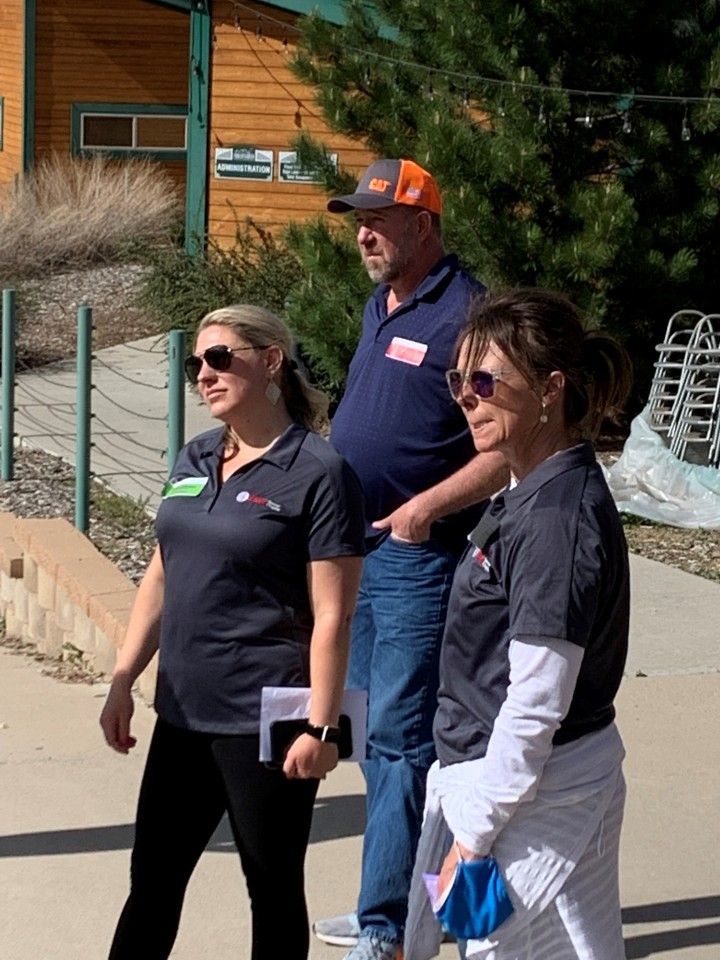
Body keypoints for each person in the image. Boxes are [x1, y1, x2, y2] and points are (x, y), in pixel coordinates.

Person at [99, 305, 365, 960]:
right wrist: (123, 678)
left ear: (271, 360)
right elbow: (161, 577)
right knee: (152, 883)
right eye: (197, 363)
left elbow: (333, 613)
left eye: (219, 358)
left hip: (263, 721)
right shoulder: (195, 456)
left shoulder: (320, 473)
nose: (204, 375)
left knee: (271, 890)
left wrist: (322, 727)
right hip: (183, 715)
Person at [315, 159, 508, 960]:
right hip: (353, 551)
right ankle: (388, 904)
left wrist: (425, 509)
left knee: (409, 742)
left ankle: (390, 930)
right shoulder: (381, 303)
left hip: (415, 561)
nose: (363, 231)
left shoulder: (468, 317)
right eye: (357, 217)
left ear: (423, 225)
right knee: (372, 738)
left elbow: (503, 448)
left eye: (379, 219)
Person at [404, 289, 633, 960]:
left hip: (533, 800)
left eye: (484, 381)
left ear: (549, 390)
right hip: (523, 789)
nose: (466, 398)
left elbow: (536, 702)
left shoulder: (555, 520)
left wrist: (473, 836)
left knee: (501, 951)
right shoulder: (528, 490)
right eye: (458, 382)